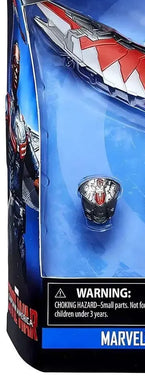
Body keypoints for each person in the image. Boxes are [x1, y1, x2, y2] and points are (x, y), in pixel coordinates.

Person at [6, 42, 39, 278]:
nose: (16, 71)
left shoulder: (21, 122)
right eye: (14, 66)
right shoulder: (11, 113)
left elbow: (33, 173)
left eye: (18, 66)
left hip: (19, 204)